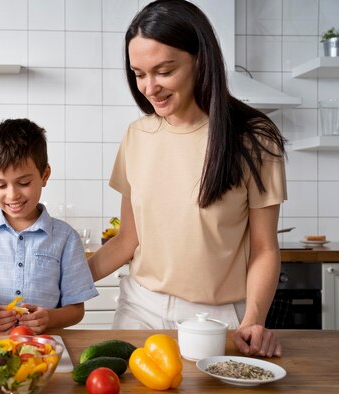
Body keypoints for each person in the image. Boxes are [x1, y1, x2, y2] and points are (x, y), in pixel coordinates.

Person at [88, 0, 286, 357]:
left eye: (164, 71)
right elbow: (126, 240)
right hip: (140, 309)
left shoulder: (254, 138)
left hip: (217, 319)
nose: (150, 87)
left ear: (199, 58)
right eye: (139, 73)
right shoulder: (137, 135)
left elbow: (264, 249)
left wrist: (253, 319)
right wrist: (58, 286)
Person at [0, 118, 99, 334]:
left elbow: (76, 309)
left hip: (44, 347)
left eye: (24, 183)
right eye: (0, 185)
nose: (12, 195)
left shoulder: (65, 237)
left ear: (44, 175)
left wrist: (50, 318)